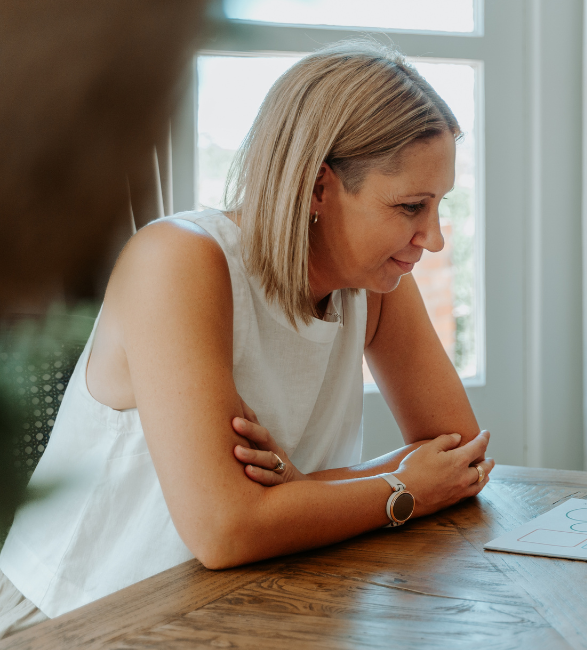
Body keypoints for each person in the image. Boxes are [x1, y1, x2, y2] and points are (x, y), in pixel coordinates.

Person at [0, 40, 495, 631]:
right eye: (412, 206)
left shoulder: (377, 282)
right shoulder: (177, 261)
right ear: (318, 189)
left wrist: (301, 496)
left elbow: (458, 460)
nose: (434, 239)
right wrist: (397, 489)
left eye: (439, 206)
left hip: (255, 601)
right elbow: (224, 530)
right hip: (83, 615)